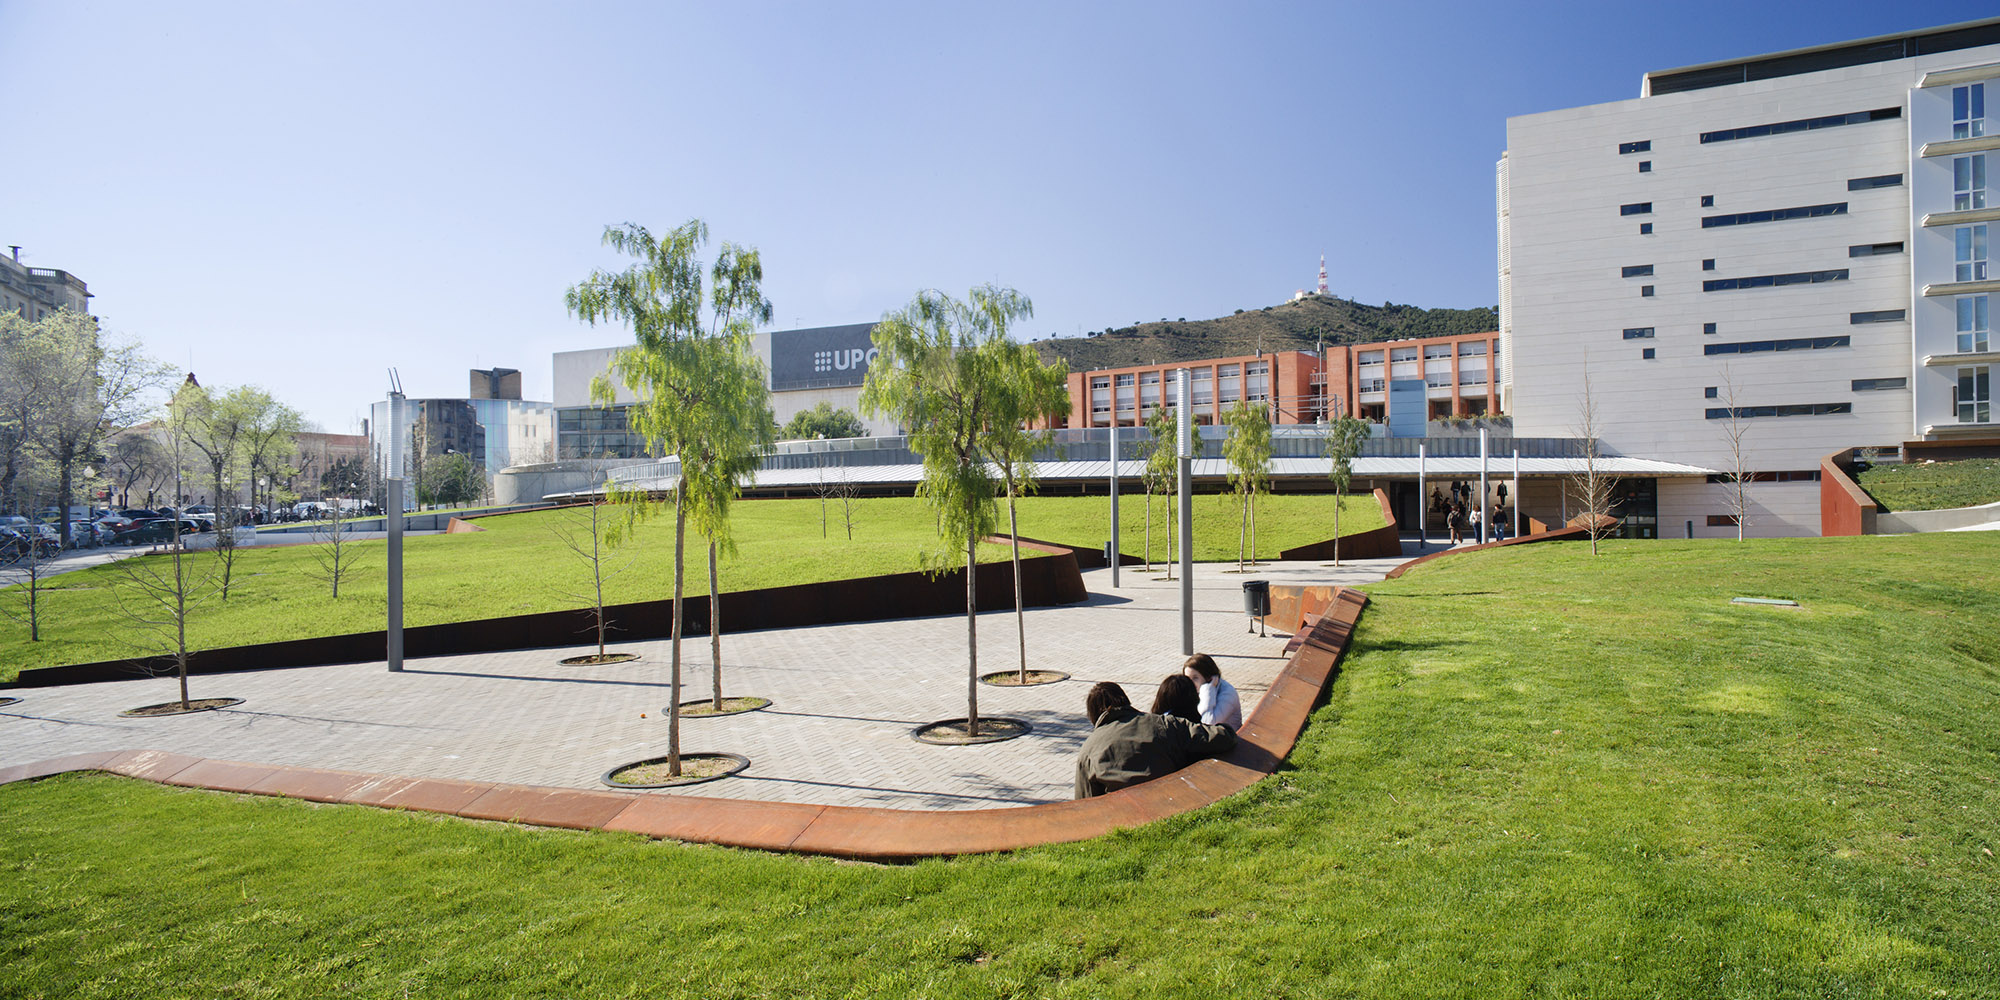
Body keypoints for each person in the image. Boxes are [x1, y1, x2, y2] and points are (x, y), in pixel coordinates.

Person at [1075, 682, 1237, 799]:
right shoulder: (1163, 723)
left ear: (1092, 716)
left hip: (1122, 819)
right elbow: (1222, 737)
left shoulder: (1088, 750)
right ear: (1125, 701)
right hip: (1170, 803)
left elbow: (1083, 807)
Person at [1181, 653, 1243, 730]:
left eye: (1195, 678)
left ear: (1208, 678)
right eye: (1187, 678)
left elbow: (1208, 723)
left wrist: (1207, 689)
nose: (1190, 682)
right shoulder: (1194, 691)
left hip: (1229, 736)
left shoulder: (1228, 693)